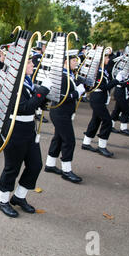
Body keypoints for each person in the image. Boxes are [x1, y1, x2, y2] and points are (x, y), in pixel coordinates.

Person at [0, 54, 52, 218]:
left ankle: (19, 197)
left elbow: (36, 102)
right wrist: (43, 91)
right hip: (15, 129)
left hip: (28, 128)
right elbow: (26, 107)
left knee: (35, 165)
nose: (32, 64)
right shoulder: (13, 83)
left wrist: (43, 95)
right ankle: (2, 200)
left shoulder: (27, 81)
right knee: (12, 168)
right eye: (29, 62)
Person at [44, 50, 86, 184]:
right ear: (66, 62)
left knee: (59, 138)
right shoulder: (62, 76)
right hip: (60, 112)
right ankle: (66, 170)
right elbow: (62, 97)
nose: (76, 63)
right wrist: (77, 93)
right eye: (74, 61)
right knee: (69, 140)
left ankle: (50, 164)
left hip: (63, 112)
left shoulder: (69, 75)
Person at [81, 53, 120, 158]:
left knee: (96, 120)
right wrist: (116, 81)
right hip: (97, 98)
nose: (108, 59)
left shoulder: (104, 70)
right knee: (107, 121)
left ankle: (86, 142)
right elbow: (103, 87)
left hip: (100, 99)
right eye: (106, 57)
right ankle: (102, 146)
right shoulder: (97, 72)